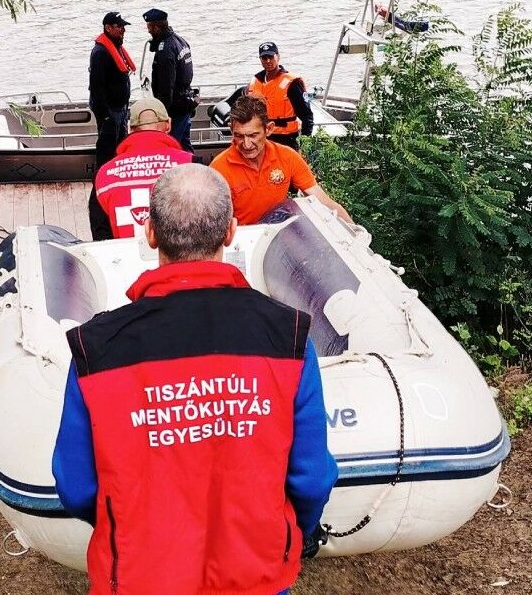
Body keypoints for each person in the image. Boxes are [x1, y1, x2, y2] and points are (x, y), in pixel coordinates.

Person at [53, 163, 338, 594]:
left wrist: (134, 525)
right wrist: (291, 532)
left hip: (140, 577)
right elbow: (311, 477)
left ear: (150, 233)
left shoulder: (98, 347)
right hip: (255, 575)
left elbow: (75, 486)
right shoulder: (290, 337)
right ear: (230, 232)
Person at [210, 95, 352, 226]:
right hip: (239, 240)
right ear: (231, 130)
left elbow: (323, 201)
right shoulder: (218, 169)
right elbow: (211, 222)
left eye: (253, 135)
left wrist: (355, 233)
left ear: (269, 129)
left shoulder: (287, 157)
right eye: (239, 136)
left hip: (276, 234)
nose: (246, 144)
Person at [89, 97, 193, 240]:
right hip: (178, 258)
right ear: (168, 124)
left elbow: (101, 237)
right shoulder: (192, 166)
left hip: (125, 259)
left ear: (130, 129)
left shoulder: (104, 176)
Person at [143, 7, 195, 153]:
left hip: (174, 108)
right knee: (185, 146)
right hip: (185, 102)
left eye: (149, 27)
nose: (148, 31)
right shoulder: (180, 41)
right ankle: (193, 171)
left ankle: (172, 175)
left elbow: (166, 85)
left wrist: (162, 114)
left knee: (169, 148)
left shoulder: (166, 50)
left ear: (156, 27)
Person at [89, 11, 136, 168]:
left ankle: (119, 175)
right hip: (109, 110)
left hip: (120, 108)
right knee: (107, 149)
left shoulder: (117, 47)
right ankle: (102, 178)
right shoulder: (100, 53)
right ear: (108, 28)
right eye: (119, 26)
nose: (123, 29)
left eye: (124, 26)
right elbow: (96, 86)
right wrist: (105, 116)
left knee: (122, 146)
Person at [248, 41, 313, 150]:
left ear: (278, 57)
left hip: (287, 139)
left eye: (271, 57)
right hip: (262, 137)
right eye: (264, 58)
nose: (268, 61)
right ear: (260, 60)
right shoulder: (256, 82)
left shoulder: (292, 83)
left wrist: (305, 144)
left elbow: (307, 116)